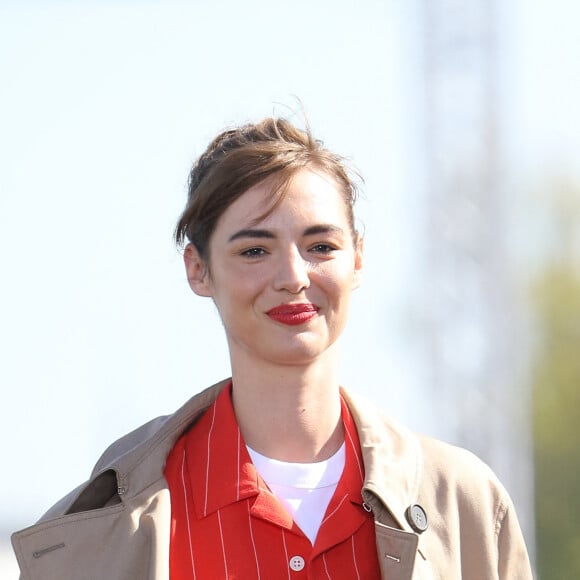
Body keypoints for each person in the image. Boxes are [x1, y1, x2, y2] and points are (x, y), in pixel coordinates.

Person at [11, 117, 533, 579]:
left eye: (321, 247)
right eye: (255, 249)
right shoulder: (103, 527)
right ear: (198, 268)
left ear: (358, 260)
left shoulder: (465, 506)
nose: (293, 277)